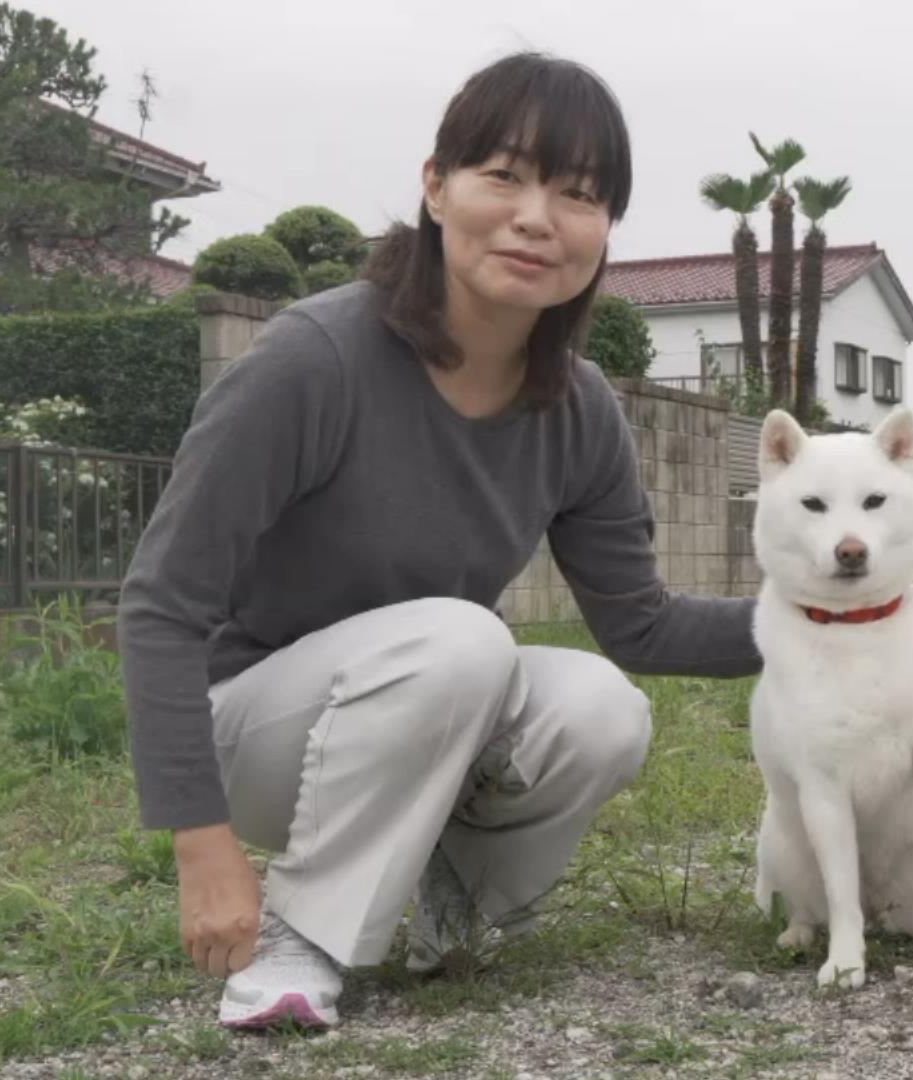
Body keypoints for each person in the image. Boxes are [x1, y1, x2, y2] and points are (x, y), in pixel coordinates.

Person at [118, 52, 760, 1032]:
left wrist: (830, 618)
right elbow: (163, 606)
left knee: (602, 710)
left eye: (578, 193)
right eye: (504, 176)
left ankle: (458, 911)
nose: (538, 217)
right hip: (252, 728)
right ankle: (303, 934)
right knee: (466, 641)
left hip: (421, 707)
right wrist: (204, 851)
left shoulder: (579, 408)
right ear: (436, 187)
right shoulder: (314, 361)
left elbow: (641, 626)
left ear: (605, 228)